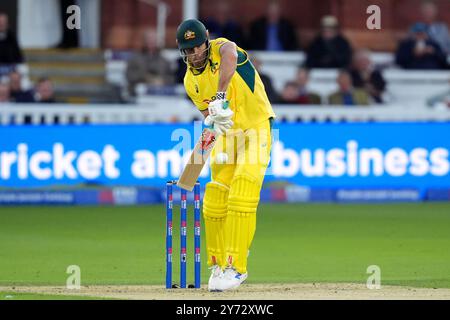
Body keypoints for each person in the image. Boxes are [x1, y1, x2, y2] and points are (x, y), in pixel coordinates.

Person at [176, 19, 276, 291]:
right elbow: (208, 117)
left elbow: (231, 55)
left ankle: (236, 267)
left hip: (256, 129)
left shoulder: (223, 49)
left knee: (242, 191)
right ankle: (218, 265)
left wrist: (220, 95)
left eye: (198, 46)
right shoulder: (190, 81)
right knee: (215, 198)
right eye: (188, 49)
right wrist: (210, 120)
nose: (194, 53)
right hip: (226, 137)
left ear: (207, 40)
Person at [126, 29, 174, 96]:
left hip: (160, 96)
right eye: (149, 39)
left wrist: (162, 81)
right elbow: (129, 75)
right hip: (137, 97)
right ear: (144, 41)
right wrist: (145, 78)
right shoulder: (134, 59)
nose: (151, 42)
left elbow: (172, 78)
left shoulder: (164, 61)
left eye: (154, 40)